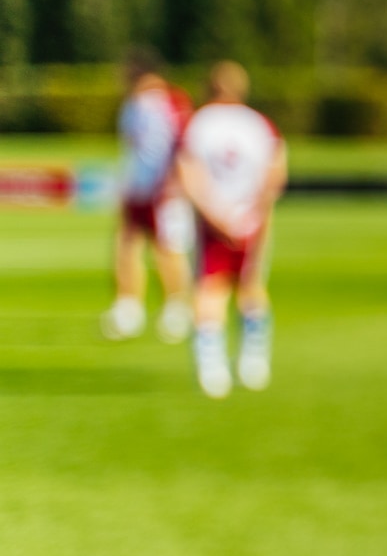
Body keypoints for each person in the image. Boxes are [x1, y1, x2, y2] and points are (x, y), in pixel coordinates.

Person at [176, 61, 287, 398]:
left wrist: (214, 216)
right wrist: (256, 211)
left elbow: (187, 171)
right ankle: (253, 359)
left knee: (210, 290)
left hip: (214, 220)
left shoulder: (199, 122)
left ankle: (212, 366)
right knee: (251, 288)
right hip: (251, 219)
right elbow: (276, 171)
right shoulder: (260, 124)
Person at [100, 47, 195, 343]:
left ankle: (177, 308)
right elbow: (132, 148)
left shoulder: (172, 101)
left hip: (165, 189)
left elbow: (183, 143)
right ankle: (129, 306)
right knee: (126, 246)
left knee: (168, 249)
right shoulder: (132, 104)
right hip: (137, 188)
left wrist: (174, 182)